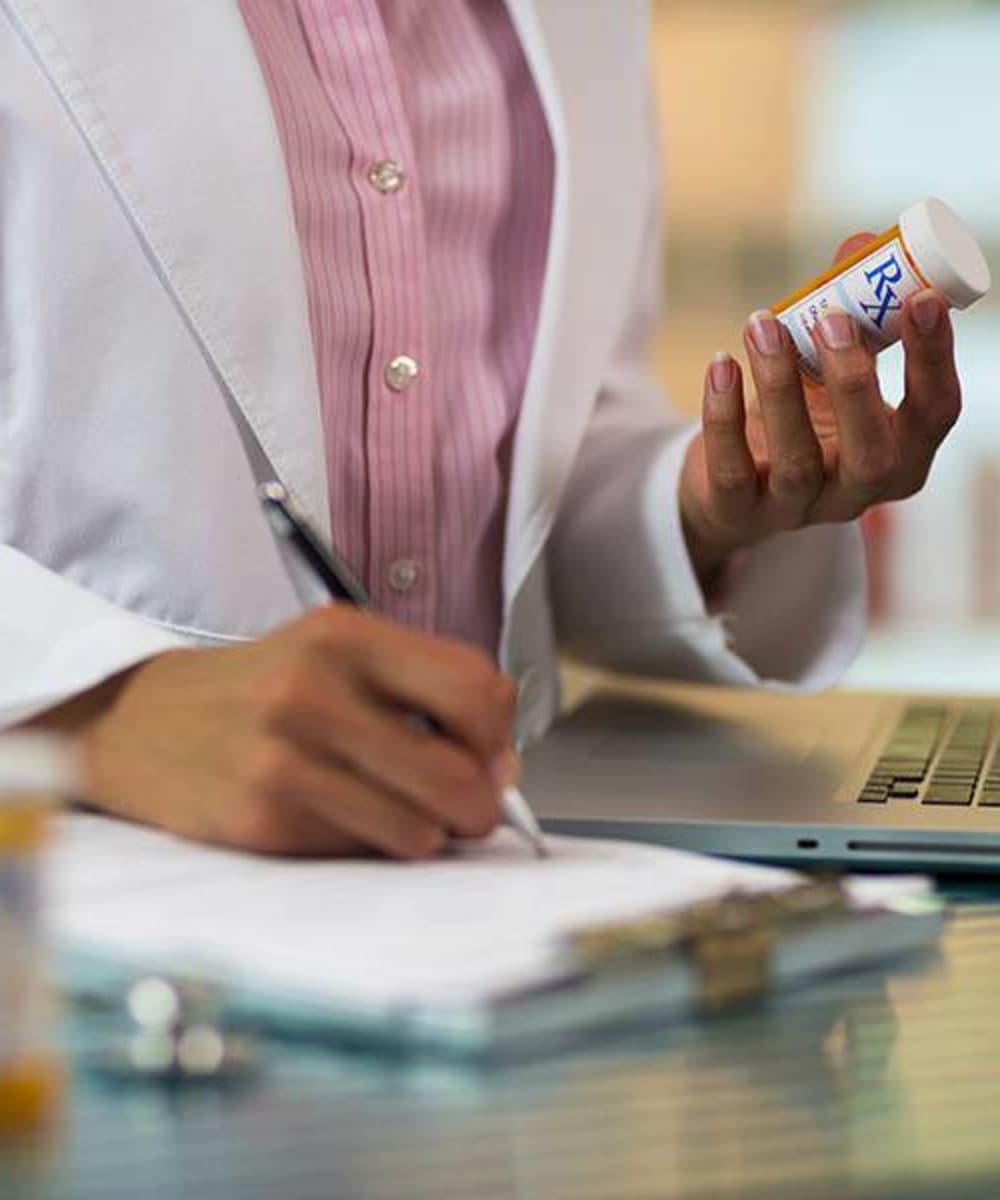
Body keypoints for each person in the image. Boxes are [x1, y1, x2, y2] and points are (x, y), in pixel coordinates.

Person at [0, 1, 961, 858]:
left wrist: (706, 506)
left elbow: (533, 461)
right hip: (86, 886)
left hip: (487, 870)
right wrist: (98, 708)